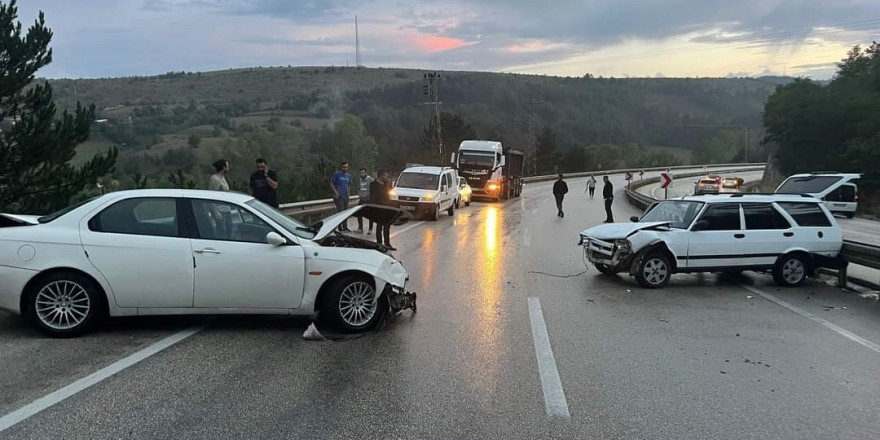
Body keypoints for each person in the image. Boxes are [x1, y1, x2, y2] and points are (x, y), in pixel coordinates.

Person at [370, 169, 395, 250]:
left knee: (387, 226)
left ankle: (387, 243)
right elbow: (372, 197)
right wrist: (374, 208)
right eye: (385, 175)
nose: (387, 177)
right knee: (379, 226)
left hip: (386, 207)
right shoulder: (373, 185)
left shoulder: (386, 184)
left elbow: (388, 195)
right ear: (381, 176)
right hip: (379, 208)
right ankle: (379, 243)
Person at [331, 162, 352, 232]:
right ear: (341, 167)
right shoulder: (337, 174)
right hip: (338, 196)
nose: (345, 168)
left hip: (345, 196)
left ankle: (345, 227)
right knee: (340, 212)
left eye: (346, 167)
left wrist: (349, 194)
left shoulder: (349, 175)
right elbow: (331, 183)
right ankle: (340, 227)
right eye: (344, 167)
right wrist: (336, 192)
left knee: (345, 212)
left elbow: (349, 185)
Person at [356, 168, 375, 234]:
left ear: (366, 173)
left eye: (363, 173)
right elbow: (359, 188)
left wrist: (371, 196)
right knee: (358, 213)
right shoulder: (360, 180)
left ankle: (370, 229)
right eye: (360, 173)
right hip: (362, 199)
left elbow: (374, 187)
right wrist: (359, 194)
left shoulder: (370, 179)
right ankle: (360, 228)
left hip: (368, 199)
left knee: (370, 215)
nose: (361, 174)